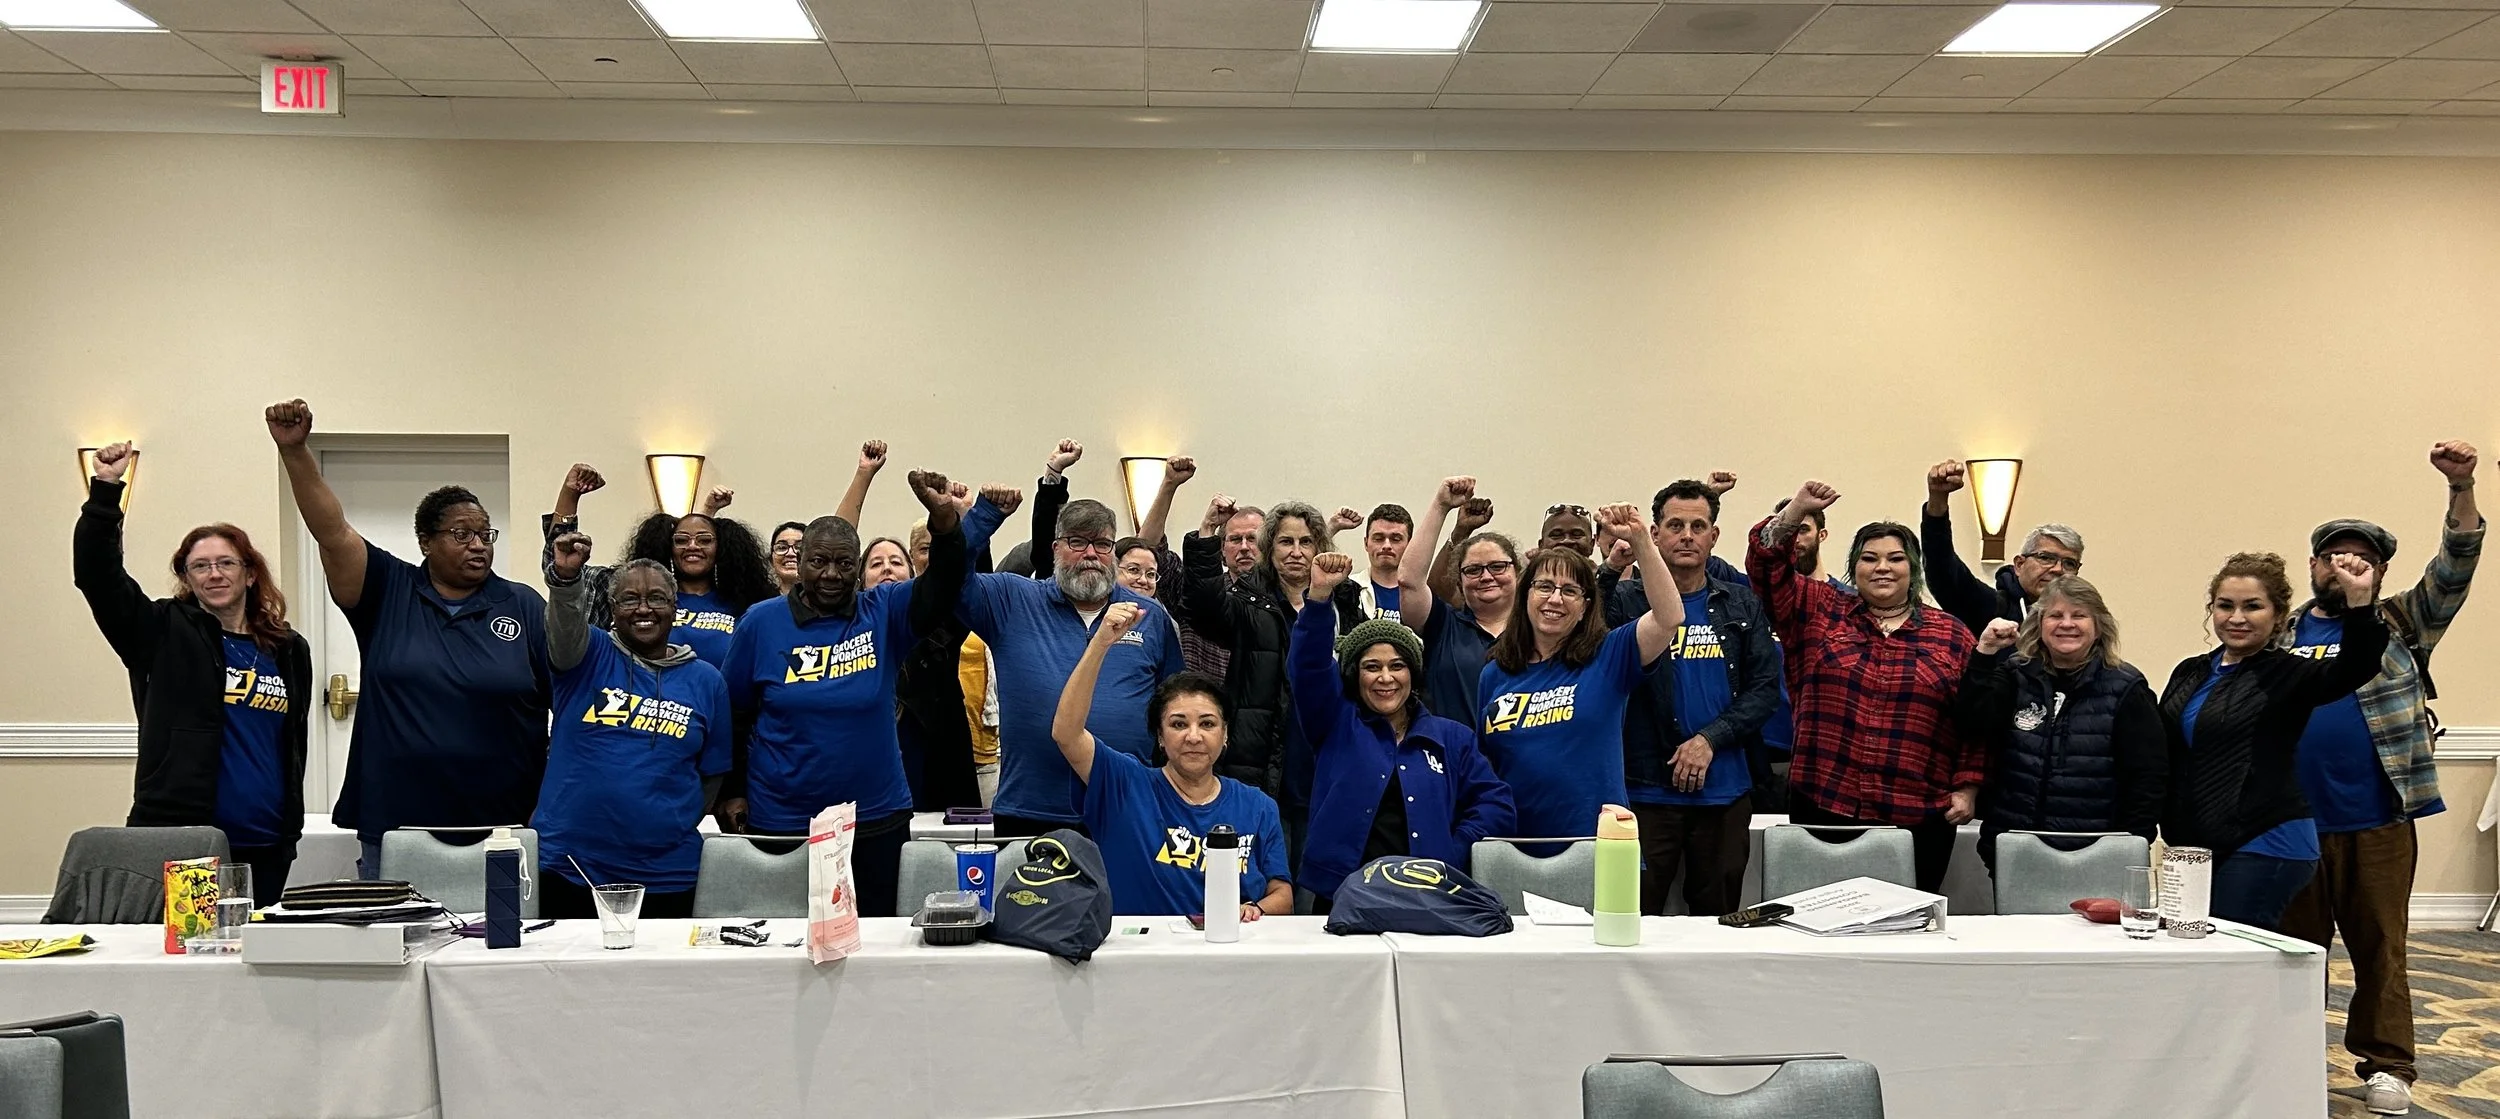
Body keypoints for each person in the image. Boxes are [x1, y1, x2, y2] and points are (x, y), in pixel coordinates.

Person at [2280, 440, 2483, 1117]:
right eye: (2333, 555)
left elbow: (2456, 563)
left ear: (2380, 571)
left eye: (2360, 558)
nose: (2345, 565)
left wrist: (2461, 487)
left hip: (2378, 818)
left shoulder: (2401, 623)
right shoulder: (2277, 631)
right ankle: (2286, 1055)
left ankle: (2388, 1064)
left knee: (2381, 949)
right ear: (2313, 565)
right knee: (2293, 951)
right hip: (2289, 821)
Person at [267, 400, 551, 879]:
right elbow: (332, 532)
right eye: (461, 534)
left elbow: (566, 700)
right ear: (425, 541)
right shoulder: (386, 590)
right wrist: (295, 453)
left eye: (485, 534)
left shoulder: (522, 605)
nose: (478, 545)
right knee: (398, 926)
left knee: (501, 929)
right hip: (398, 820)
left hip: (505, 821)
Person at [718, 470, 967, 917]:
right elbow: (733, 714)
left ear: (857, 567)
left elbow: (944, 584)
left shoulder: (884, 612)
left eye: (845, 564)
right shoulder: (760, 622)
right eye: (818, 562)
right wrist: (732, 791)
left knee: (874, 941)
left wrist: (944, 521)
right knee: (784, 941)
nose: (831, 574)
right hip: (784, 819)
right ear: (800, 562)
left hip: (875, 816)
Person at [74, 443, 311, 903]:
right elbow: (97, 576)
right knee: (191, 944)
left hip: (266, 843)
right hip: (183, 841)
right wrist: (105, 490)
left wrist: (289, 827)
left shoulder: (288, 649)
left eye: (226, 563)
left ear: (250, 574)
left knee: (254, 947)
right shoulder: (161, 632)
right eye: (199, 566)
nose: (214, 574)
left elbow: (291, 744)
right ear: (187, 578)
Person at [1749, 480, 1977, 894]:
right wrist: (1796, 509)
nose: (1882, 567)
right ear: (1854, 568)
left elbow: (1976, 718)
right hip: (1825, 799)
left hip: (1917, 814)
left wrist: (1968, 785)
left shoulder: (1952, 635)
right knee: (1819, 919)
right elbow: (1766, 567)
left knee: (1907, 925)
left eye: (1896, 558)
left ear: (1914, 568)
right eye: (1869, 558)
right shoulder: (1818, 610)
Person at [2161, 551, 2384, 933]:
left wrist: (2360, 602)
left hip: (2266, 838)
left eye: (2252, 606)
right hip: (2197, 843)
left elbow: (2357, 665)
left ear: (2278, 615)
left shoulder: (2289, 673)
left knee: (2230, 952)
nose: (2237, 617)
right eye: (2225, 605)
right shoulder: (2190, 671)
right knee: (2189, 946)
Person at [959, 491, 1186, 836]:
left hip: (1126, 806)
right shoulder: (1013, 599)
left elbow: (1174, 707)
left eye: (1102, 544)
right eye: (1077, 542)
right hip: (1030, 809)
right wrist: (983, 517)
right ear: (1055, 549)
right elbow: (948, 581)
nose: (1091, 554)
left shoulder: (1149, 616)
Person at [1294, 552, 1513, 906]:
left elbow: (1496, 804)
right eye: (1371, 667)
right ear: (1354, 676)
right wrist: (1319, 598)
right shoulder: (1335, 722)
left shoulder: (1453, 738)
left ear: (1413, 674)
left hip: (1427, 897)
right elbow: (1309, 667)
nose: (1386, 678)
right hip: (1341, 896)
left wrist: (1452, 849)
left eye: (1397, 666)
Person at [1052, 603, 1292, 918]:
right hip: (1140, 947)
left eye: (1207, 724)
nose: (1193, 736)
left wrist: (1254, 910)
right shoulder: (1124, 784)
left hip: (1230, 944)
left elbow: (1282, 895)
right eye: (1178, 724)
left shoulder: (1258, 806)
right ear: (1160, 737)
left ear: (1225, 735)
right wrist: (1100, 644)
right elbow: (1066, 734)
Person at [1609, 480, 1781, 916]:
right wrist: (1611, 566)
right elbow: (1587, 645)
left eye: (1698, 526)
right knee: (1632, 918)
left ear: (1714, 536)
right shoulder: (1624, 601)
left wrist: (1709, 739)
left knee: (1717, 924)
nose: (1687, 536)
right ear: (1654, 534)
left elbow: (1764, 690)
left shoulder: (1742, 604)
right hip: (1645, 791)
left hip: (1725, 793)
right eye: (1675, 525)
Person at [537, 544, 730, 920]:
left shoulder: (707, 681)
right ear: (612, 609)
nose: (644, 609)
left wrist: (669, 819)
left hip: (668, 873)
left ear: (675, 607)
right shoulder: (586, 656)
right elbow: (563, 627)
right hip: (572, 867)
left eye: (657, 598)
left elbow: (712, 773)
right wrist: (565, 581)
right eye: (629, 599)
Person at [1477, 504, 1683, 850]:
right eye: (1544, 587)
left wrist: (1641, 540)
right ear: (1525, 595)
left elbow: (1669, 617)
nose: (1555, 599)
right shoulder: (1494, 674)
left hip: (1595, 844)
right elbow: (1486, 764)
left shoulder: (1610, 655)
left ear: (1586, 606)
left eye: (1570, 590)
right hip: (1511, 845)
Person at [1952, 577, 2164, 872]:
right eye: (2055, 615)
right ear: (2039, 624)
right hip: (2015, 850)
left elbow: (2148, 778)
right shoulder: (2015, 674)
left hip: (2096, 856)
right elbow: (1971, 723)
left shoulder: (2127, 687)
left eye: (2079, 615)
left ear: (2098, 626)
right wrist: (1985, 652)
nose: (2067, 624)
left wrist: (2129, 847)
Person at [1182, 495, 1367, 808]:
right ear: (1269, 548)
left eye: (1306, 542)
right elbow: (1203, 609)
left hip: (1325, 759)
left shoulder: (1344, 602)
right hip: (1258, 762)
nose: (1296, 552)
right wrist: (1208, 529)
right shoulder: (1248, 601)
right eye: (1285, 542)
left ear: (1319, 548)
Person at [541, 463, 772, 669]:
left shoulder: (744, 604)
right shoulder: (635, 599)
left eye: (704, 540)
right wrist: (570, 495)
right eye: (681, 540)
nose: (692, 546)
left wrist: (707, 512)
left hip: (715, 700)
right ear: (667, 547)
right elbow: (563, 570)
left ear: (722, 549)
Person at [1921, 459, 2084, 637]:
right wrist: (1938, 502)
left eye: (2069, 563)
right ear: (2019, 565)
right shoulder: (1992, 608)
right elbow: (1943, 570)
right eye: (2046, 558)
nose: (2058, 569)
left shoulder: (2085, 618)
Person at [1401, 477, 1517, 725]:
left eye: (1498, 567)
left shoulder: (1539, 629)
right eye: (1473, 570)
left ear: (1517, 573)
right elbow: (1409, 581)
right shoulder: (1443, 626)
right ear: (1459, 581)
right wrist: (1440, 506)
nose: (1486, 577)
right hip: (1453, 749)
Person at [1356, 504, 1412, 620]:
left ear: (1410, 545)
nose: (1387, 546)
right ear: (1366, 543)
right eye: (1378, 538)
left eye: (1396, 539)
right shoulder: (1348, 590)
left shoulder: (1423, 594)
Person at [769, 521, 806, 593]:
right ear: (771, 560)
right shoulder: (759, 598)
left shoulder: (825, 597)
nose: (790, 553)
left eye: (799, 547)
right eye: (782, 547)